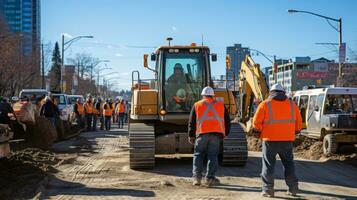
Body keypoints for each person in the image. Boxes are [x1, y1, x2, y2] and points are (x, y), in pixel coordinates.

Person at [252, 83, 302, 197]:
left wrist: (258, 131)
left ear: (272, 92)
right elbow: (298, 123)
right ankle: (293, 188)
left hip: (269, 140)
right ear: (283, 92)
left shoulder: (265, 104)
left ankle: (268, 190)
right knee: (289, 164)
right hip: (287, 140)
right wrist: (295, 131)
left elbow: (256, 123)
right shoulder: (292, 104)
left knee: (268, 165)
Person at [188, 86, 230, 187]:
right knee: (213, 156)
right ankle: (210, 178)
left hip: (201, 134)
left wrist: (191, 135)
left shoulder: (197, 105)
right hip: (216, 135)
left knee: (198, 155)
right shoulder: (220, 105)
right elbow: (227, 121)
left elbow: (192, 122)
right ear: (212, 95)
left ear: (203, 95)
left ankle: (197, 178)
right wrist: (225, 133)